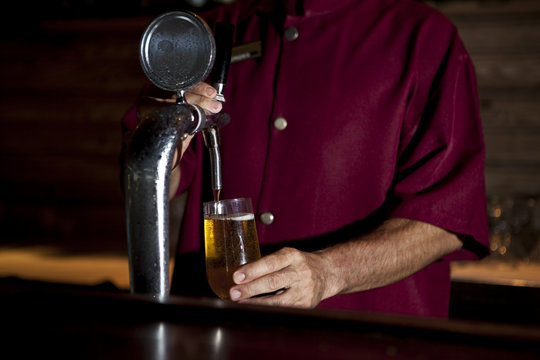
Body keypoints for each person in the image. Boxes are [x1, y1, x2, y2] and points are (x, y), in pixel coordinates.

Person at [122, 0, 490, 317]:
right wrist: (157, 137)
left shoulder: (424, 36)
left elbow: (445, 221)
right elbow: (146, 187)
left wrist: (329, 272)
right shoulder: (207, 34)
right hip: (220, 334)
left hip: (362, 341)